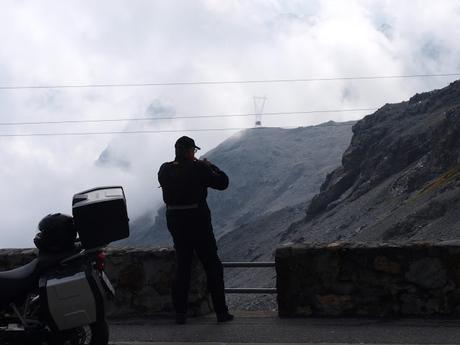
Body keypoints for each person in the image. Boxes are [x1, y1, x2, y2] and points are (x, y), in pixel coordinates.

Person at [158, 136, 234, 324]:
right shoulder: (198, 167)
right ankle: (221, 312)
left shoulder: (164, 169)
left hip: (175, 223)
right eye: (194, 151)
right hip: (198, 222)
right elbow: (223, 183)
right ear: (190, 151)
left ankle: (180, 314)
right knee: (212, 265)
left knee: (183, 266)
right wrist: (211, 166)